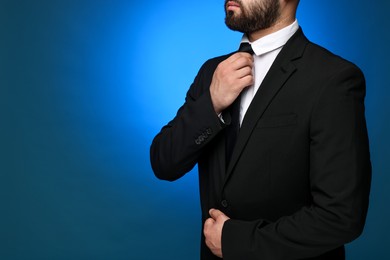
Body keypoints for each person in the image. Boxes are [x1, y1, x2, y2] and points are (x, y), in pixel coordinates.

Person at [150, 0, 371, 259]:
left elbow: (341, 216)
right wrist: (211, 104)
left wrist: (237, 241)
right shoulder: (212, 72)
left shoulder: (333, 78)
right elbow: (164, 162)